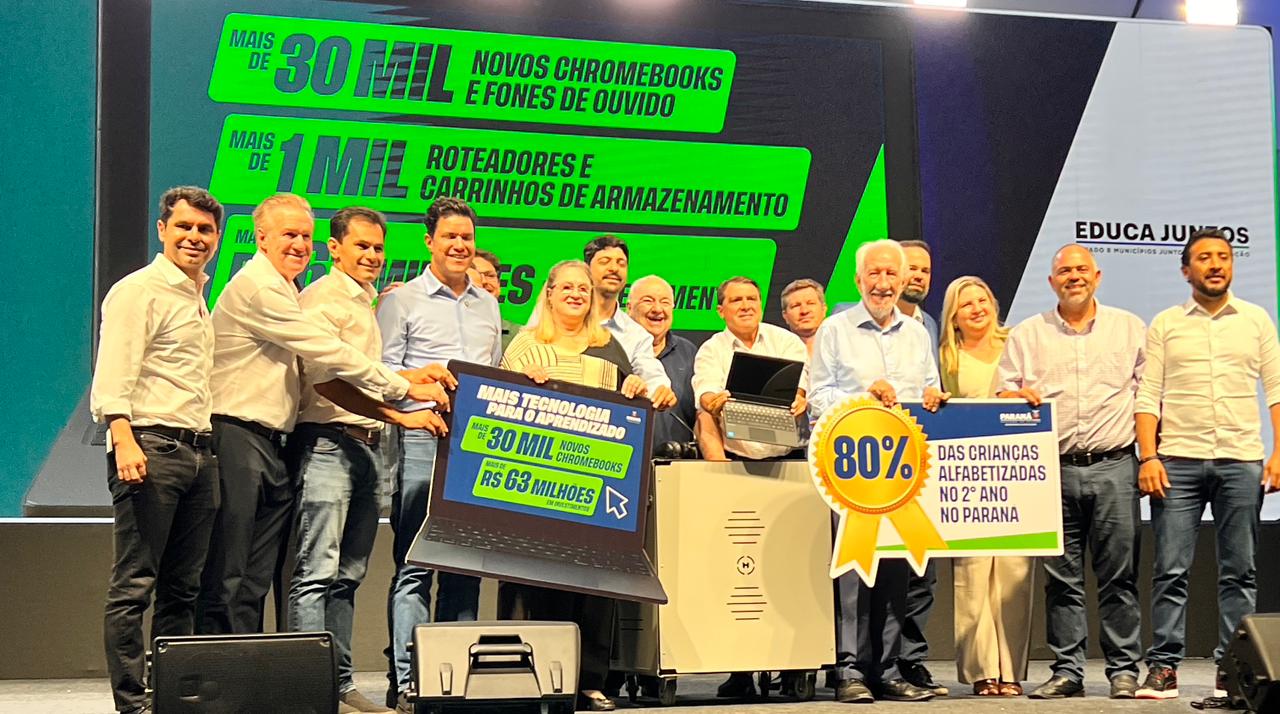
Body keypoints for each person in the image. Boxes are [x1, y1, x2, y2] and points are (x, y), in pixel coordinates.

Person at [287, 207, 450, 714]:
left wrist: (414, 376)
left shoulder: (365, 302)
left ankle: (340, 686)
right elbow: (327, 381)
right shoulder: (322, 300)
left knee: (348, 575)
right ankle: (310, 690)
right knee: (316, 572)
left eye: (378, 248)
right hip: (327, 444)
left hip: (367, 447)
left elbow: (368, 372)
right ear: (334, 248)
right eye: (361, 246)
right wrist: (400, 414)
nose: (373, 256)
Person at [500, 260, 656, 712]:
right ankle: (545, 679)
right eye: (566, 287)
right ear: (548, 293)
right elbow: (500, 406)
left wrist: (636, 386)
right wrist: (521, 386)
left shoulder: (609, 346)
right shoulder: (525, 346)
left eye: (583, 288)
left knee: (594, 586)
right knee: (542, 585)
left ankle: (589, 681)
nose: (575, 294)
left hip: (597, 484)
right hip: (539, 486)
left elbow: (630, 403)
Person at [1133, 228, 1280, 701]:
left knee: (1240, 571)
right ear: (1186, 270)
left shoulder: (1256, 320)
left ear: (1232, 265)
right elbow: (1148, 395)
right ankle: (1163, 668)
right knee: (1170, 570)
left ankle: (1232, 671)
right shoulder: (1166, 323)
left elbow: (1276, 389)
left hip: (1241, 459)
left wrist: (1279, 452)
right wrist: (1148, 455)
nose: (1215, 264)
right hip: (1177, 460)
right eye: (1204, 258)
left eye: (1223, 256)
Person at [92, 187, 223, 714]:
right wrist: (123, 438)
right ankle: (133, 702)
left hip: (199, 451)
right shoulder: (138, 291)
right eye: (184, 226)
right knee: (135, 584)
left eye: (205, 229)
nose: (195, 237)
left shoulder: (196, 295)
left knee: (183, 588)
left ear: (217, 237)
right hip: (150, 446)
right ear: (162, 229)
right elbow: (113, 373)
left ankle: (172, 696)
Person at [997, 244, 1145, 700]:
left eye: (1082, 269)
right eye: (1064, 271)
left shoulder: (1129, 328)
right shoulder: (1027, 334)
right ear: (1051, 281)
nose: (1074, 277)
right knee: (1061, 580)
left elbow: (1149, 396)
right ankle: (1067, 671)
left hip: (1115, 465)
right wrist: (1014, 399)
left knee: (1119, 577)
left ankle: (1123, 670)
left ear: (1097, 276)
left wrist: (1152, 456)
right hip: (1051, 470)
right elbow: (1003, 392)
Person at [375, 197, 504, 713]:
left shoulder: (487, 304)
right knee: (415, 566)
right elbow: (382, 374)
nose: (459, 245)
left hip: (476, 450)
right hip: (421, 440)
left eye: (466, 238)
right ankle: (409, 681)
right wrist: (422, 397)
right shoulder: (401, 300)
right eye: (450, 236)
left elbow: (493, 374)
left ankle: (455, 681)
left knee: (465, 566)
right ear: (429, 241)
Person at [809, 239, 948, 704]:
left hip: (902, 473)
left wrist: (934, 398)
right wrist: (863, 397)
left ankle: (887, 670)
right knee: (853, 573)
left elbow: (928, 389)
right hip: (852, 471)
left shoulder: (917, 334)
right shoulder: (835, 329)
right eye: (874, 273)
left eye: (891, 274)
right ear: (858, 279)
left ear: (903, 279)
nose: (883, 283)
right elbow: (818, 398)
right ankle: (848, 671)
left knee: (894, 575)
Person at [939, 276, 1032, 696]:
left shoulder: (1019, 343)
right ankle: (982, 671)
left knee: (1014, 574)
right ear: (954, 317)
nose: (976, 308)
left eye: (982, 300)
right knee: (972, 575)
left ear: (994, 304)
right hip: (970, 477)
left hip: (1018, 474)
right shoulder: (946, 357)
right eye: (966, 304)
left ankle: (1011, 671)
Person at [692, 276, 808, 468]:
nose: (746, 306)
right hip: (736, 460)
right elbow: (706, 392)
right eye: (736, 300)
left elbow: (799, 389)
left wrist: (799, 400)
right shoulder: (711, 349)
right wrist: (713, 403)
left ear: (760, 305)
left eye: (752, 299)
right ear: (721, 311)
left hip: (789, 459)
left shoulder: (786, 341)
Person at [582, 235, 677, 408]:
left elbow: (652, 375)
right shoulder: (562, 317)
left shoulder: (636, 335)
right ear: (586, 269)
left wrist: (660, 391)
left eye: (621, 263)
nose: (614, 268)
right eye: (605, 261)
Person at [628, 275, 698, 448]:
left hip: (675, 461)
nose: (657, 309)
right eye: (648, 301)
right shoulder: (613, 349)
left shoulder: (689, 352)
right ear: (629, 308)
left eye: (665, 302)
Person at [468, 248, 521, 351]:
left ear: (499, 284)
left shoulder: (520, 335)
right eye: (476, 275)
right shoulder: (445, 329)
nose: (484, 281)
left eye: (490, 276)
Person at [780, 278, 828, 357]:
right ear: (785, 316)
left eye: (810, 303)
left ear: (824, 309)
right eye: (796, 305)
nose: (804, 311)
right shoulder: (776, 351)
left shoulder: (842, 344)